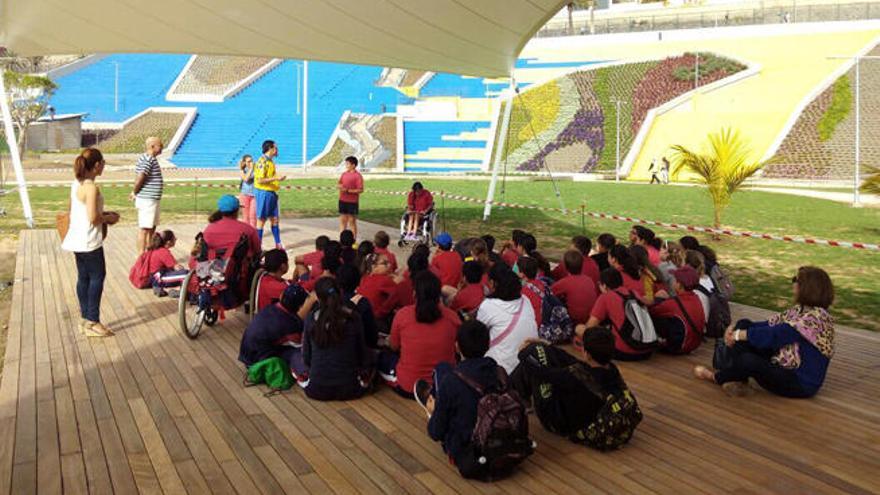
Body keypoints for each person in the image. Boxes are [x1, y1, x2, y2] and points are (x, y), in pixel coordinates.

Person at [694, 267, 835, 398]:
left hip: (799, 382)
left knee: (748, 360)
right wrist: (735, 327)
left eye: (795, 280)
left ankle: (718, 377)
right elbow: (769, 325)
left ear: (806, 287)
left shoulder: (814, 320)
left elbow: (775, 335)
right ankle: (739, 379)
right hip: (782, 362)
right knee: (745, 323)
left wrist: (738, 335)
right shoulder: (801, 310)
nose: (793, 283)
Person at [511, 327, 630, 441]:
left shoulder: (575, 377)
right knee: (540, 351)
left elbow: (541, 373)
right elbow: (572, 360)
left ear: (586, 354)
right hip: (588, 416)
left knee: (531, 361)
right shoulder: (611, 370)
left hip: (562, 425)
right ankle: (513, 393)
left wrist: (522, 354)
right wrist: (546, 345)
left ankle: (510, 396)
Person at [416, 320, 503, 476]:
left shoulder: (451, 381)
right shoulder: (498, 372)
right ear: (488, 345)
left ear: (457, 346)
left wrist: (433, 419)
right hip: (498, 439)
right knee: (443, 369)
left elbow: (435, 433)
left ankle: (432, 406)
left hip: (467, 449)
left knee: (442, 370)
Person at [62, 148, 119, 338]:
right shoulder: (91, 188)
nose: (104, 166)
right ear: (96, 165)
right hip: (89, 240)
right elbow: (93, 217)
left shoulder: (76, 184)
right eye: (103, 163)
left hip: (77, 238)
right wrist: (109, 218)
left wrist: (102, 213)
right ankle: (93, 321)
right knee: (97, 277)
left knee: (83, 278)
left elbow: (77, 209)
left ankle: (85, 318)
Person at [379, 272, 460, 398]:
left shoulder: (402, 315)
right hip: (442, 385)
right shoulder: (452, 317)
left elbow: (394, 346)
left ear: (414, 294)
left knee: (381, 358)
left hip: (409, 386)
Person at [301, 277, 374, 400]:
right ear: (340, 293)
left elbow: (307, 357)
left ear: (318, 298)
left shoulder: (311, 318)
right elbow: (362, 355)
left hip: (317, 389)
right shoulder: (353, 318)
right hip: (350, 389)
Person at [579, 268, 652, 361]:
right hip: (647, 349)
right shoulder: (633, 293)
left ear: (604, 286)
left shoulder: (606, 297)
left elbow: (590, 328)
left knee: (580, 329)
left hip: (626, 351)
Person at [476, 266, 538, 373]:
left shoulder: (488, 305)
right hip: (530, 364)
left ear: (492, 283)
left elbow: (477, 334)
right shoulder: (525, 300)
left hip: (502, 370)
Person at [239, 284, 311, 373]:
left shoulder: (269, 308)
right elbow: (300, 344)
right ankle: (304, 373)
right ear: (300, 306)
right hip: (257, 362)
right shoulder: (291, 324)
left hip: (245, 355)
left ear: (281, 296)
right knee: (296, 352)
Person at [648, 265, 705, 354]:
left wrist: (657, 299)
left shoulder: (674, 303)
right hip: (693, 344)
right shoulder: (696, 298)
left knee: (653, 317)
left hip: (678, 346)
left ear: (680, 285)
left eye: (675, 280)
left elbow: (652, 311)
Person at [131, 136, 164, 253]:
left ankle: (149, 253)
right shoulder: (147, 159)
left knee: (151, 228)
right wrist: (134, 192)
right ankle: (141, 256)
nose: (162, 148)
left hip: (153, 200)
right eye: (160, 145)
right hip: (147, 200)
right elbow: (141, 176)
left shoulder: (150, 159)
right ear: (152, 146)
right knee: (145, 229)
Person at [337, 264, 380, 349]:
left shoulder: (329, 301)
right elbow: (372, 336)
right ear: (359, 281)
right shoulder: (363, 303)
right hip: (357, 352)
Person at [550, 251, 598, 325]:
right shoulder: (589, 279)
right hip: (590, 317)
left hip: (574, 320)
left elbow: (550, 292)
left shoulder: (565, 282)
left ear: (565, 266)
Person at [253, 139, 286, 249]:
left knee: (275, 219)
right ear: (270, 149)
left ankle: (278, 243)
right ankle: (258, 245)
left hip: (272, 193)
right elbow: (260, 180)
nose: (277, 150)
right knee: (261, 220)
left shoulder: (271, 161)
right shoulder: (262, 162)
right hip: (264, 193)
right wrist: (276, 178)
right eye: (275, 148)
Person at [357, 253, 399, 325]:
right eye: (385, 263)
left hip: (363, 317)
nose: (389, 265)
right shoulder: (384, 280)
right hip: (378, 319)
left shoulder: (364, 278)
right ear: (374, 266)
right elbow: (397, 295)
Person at [145, 230, 187, 297]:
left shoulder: (157, 249)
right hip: (159, 277)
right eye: (174, 238)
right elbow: (177, 267)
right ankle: (183, 293)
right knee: (187, 275)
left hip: (154, 277)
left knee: (183, 273)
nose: (176, 239)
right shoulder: (164, 252)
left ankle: (157, 287)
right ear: (168, 242)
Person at [338, 156, 364, 238]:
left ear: (353, 165)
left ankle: (353, 239)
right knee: (342, 221)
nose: (346, 165)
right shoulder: (344, 174)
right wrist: (340, 187)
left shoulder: (358, 176)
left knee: (352, 221)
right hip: (342, 200)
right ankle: (342, 239)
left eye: (347, 164)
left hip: (352, 202)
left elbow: (360, 190)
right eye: (346, 163)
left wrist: (348, 191)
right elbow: (339, 183)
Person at [517, 257, 545, 326]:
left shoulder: (523, 291)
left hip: (533, 324)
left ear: (522, 274)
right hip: (543, 320)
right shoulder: (541, 284)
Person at [238, 154, 257, 227]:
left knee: (253, 215)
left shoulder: (257, 170)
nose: (251, 163)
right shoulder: (242, 170)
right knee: (245, 217)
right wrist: (251, 169)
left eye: (251, 161)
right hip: (245, 195)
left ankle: (253, 233)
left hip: (254, 195)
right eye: (248, 161)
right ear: (245, 162)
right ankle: (246, 234)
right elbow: (246, 179)